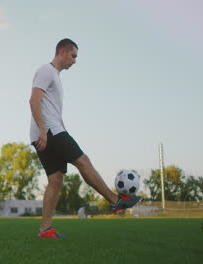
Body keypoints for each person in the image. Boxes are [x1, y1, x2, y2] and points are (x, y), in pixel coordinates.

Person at [29, 38, 142, 239]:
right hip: (50, 132)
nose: (74, 61)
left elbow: (51, 109)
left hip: (52, 130)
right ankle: (115, 201)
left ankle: (45, 230)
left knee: (55, 179)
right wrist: (44, 130)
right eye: (73, 56)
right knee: (83, 161)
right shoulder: (46, 71)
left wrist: (60, 129)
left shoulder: (55, 76)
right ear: (62, 51)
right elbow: (34, 99)